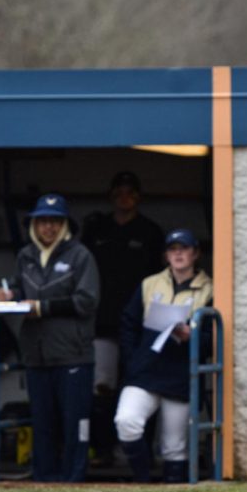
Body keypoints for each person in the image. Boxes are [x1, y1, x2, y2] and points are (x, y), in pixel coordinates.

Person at [0, 193, 100, 482]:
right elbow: (18, 287)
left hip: (72, 352)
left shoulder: (80, 255)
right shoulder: (26, 255)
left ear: (65, 225)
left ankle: (74, 477)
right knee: (42, 421)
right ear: (34, 225)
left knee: (74, 421)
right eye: (43, 221)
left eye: (55, 221)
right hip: (36, 352)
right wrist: (8, 295)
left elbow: (87, 300)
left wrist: (42, 307)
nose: (49, 228)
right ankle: (44, 479)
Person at [114, 228, 212, 484]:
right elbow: (128, 323)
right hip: (145, 370)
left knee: (174, 445)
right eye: (173, 249)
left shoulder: (209, 288)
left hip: (182, 375)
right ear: (166, 255)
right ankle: (143, 481)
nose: (178, 253)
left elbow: (214, 337)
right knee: (126, 421)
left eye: (184, 248)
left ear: (195, 253)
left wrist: (193, 337)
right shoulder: (150, 284)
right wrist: (133, 358)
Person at [81, 171, 165, 466]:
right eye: (119, 192)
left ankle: (135, 452)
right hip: (102, 324)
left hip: (141, 328)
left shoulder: (150, 232)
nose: (124, 197)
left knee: (140, 384)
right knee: (101, 390)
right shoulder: (96, 230)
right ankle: (102, 450)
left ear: (138, 196)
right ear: (111, 195)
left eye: (130, 192)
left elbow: (161, 281)